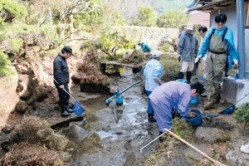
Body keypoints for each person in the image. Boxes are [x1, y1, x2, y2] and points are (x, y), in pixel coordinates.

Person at [195, 14, 239, 110]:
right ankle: (212, 98)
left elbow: (231, 47)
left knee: (216, 78)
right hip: (210, 54)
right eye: (218, 23)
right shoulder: (211, 30)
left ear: (224, 22)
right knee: (207, 77)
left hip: (221, 56)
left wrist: (235, 58)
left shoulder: (228, 32)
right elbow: (205, 43)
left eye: (221, 23)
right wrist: (200, 55)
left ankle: (213, 99)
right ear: (215, 23)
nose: (220, 25)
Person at [143, 50, 164, 123]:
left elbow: (144, 73)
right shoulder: (158, 65)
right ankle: (151, 118)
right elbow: (155, 77)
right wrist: (162, 84)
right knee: (154, 102)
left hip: (147, 86)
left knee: (151, 101)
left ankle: (150, 116)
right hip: (154, 87)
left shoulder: (148, 63)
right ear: (159, 58)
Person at [53, 46, 74, 117]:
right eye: (69, 55)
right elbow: (57, 73)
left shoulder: (63, 59)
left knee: (66, 95)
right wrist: (60, 84)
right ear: (64, 52)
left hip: (64, 81)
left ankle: (67, 107)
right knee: (62, 96)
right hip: (60, 82)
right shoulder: (58, 60)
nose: (69, 56)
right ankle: (63, 111)